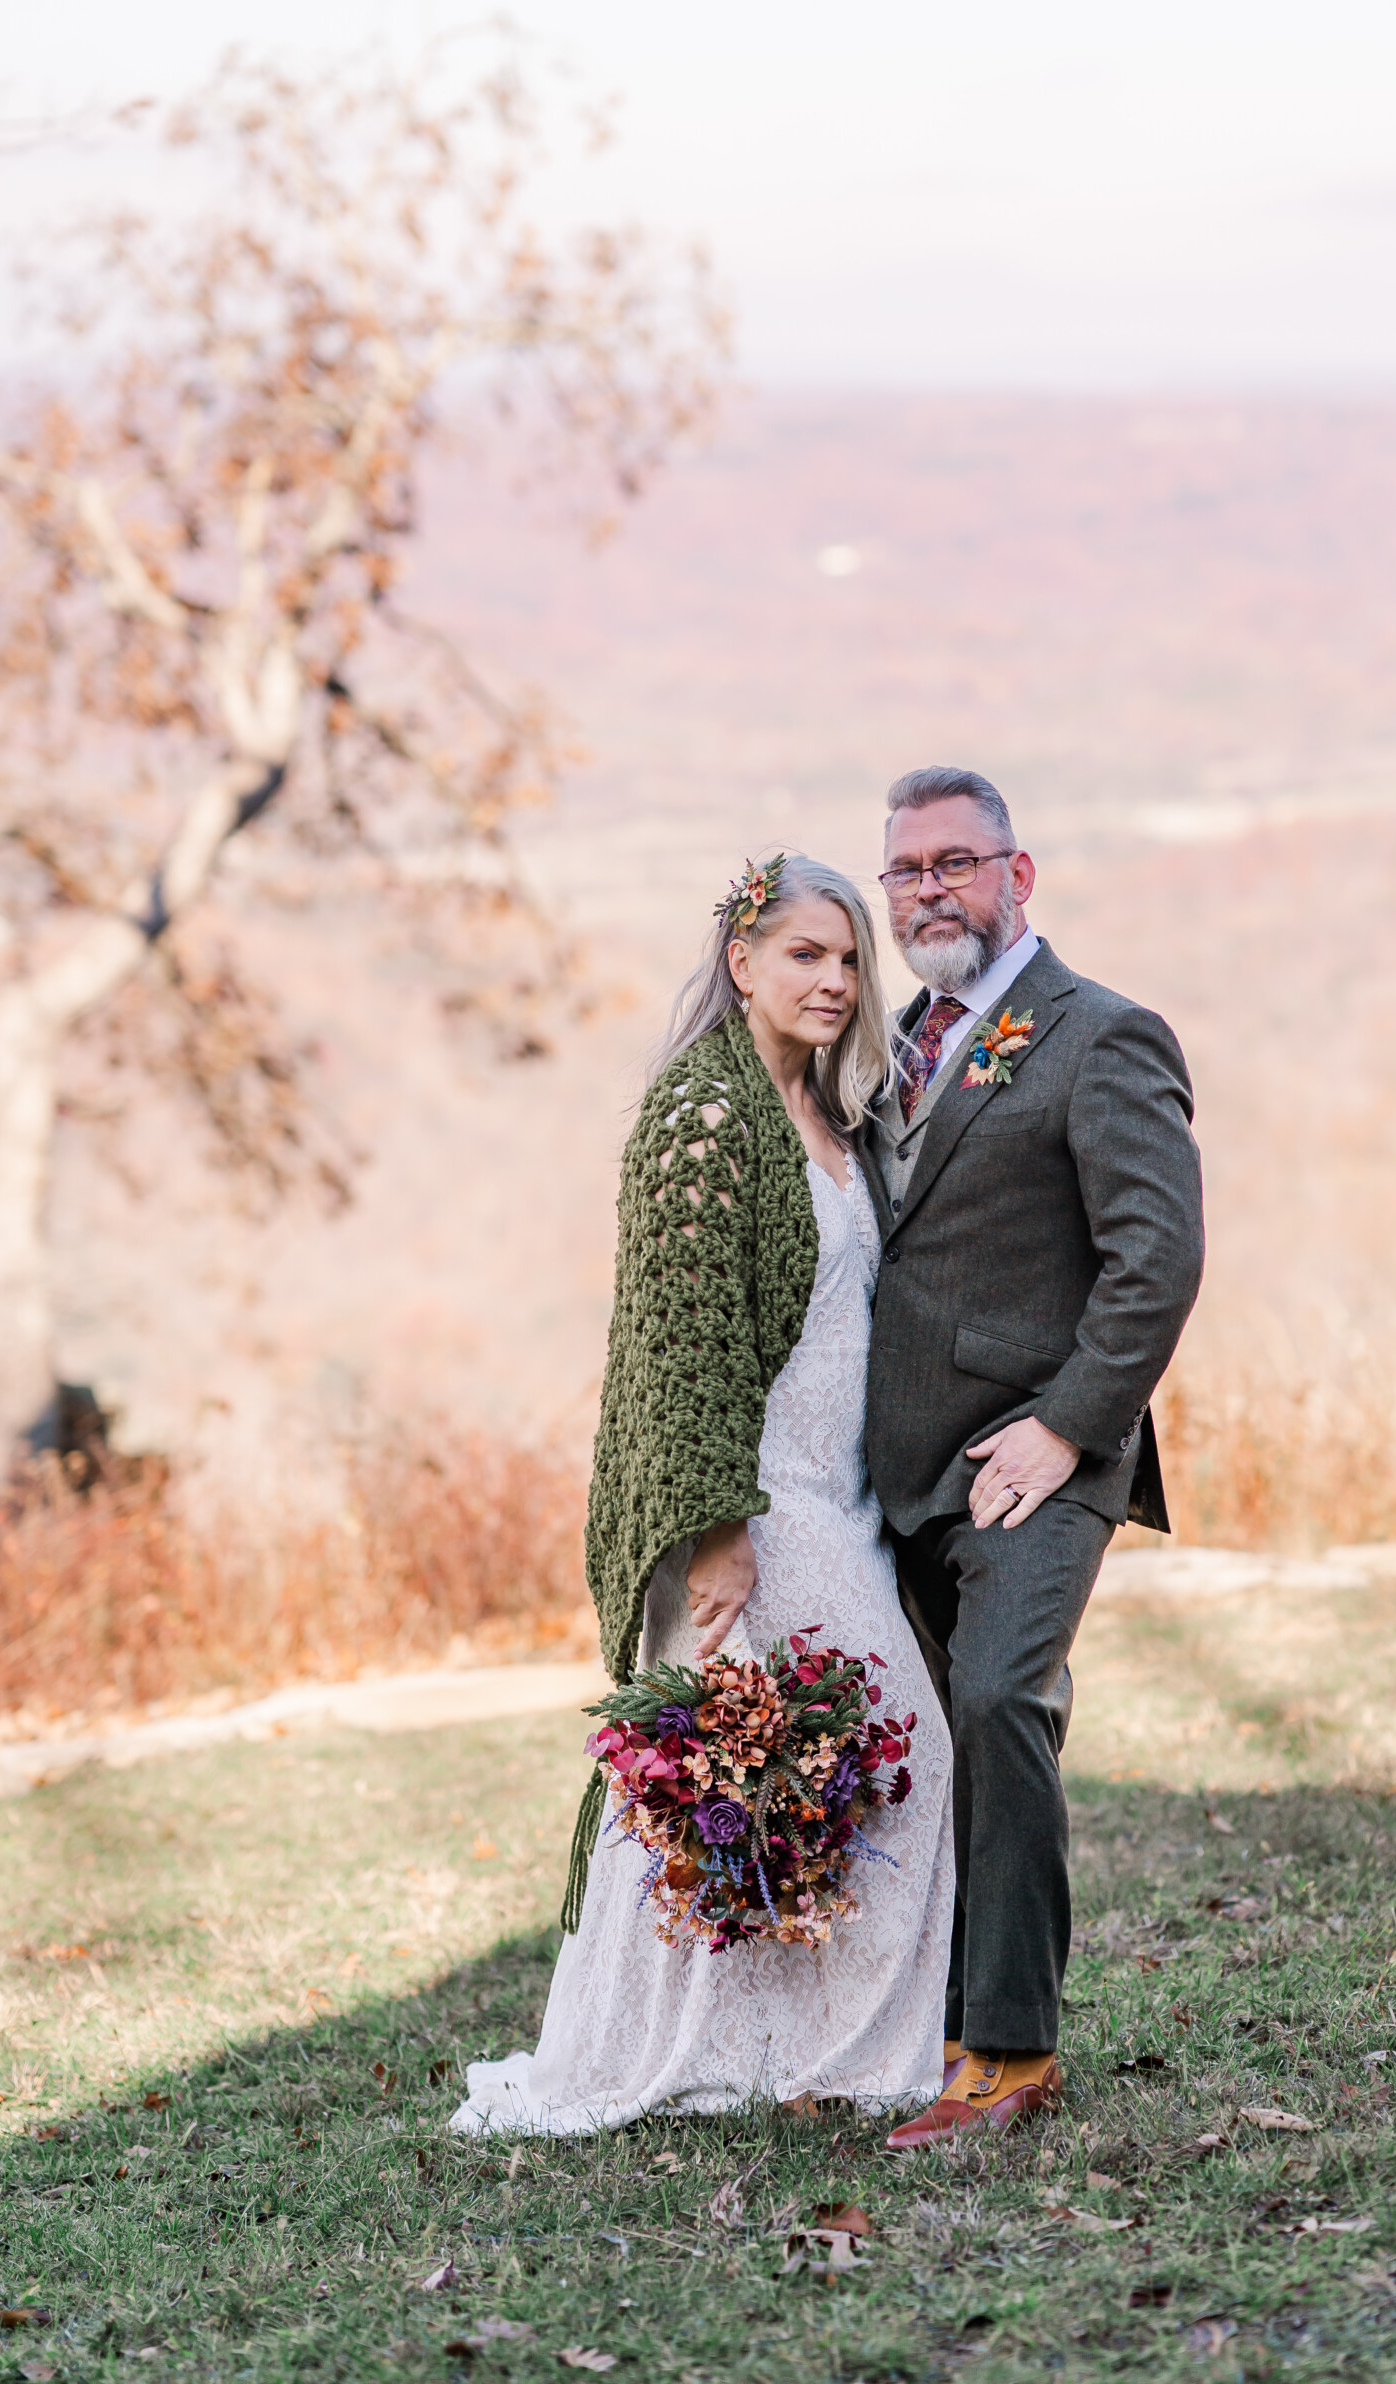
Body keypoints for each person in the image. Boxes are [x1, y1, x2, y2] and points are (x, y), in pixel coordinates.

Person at [452, 854, 954, 2136]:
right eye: (806, 955)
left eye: (850, 960)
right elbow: (684, 1353)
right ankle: (667, 2054)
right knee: (725, 1778)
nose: (837, 980)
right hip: (756, 1507)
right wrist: (716, 1535)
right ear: (741, 962)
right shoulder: (703, 1119)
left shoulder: (833, 1118)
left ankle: (806, 2048)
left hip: (838, 1502)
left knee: (825, 1769)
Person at [863, 766, 1205, 2151]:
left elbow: (1155, 1260)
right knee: (920, 1742)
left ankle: (1008, 2054)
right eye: (905, 869)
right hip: (886, 1471)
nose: (929, 888)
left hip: (1037, 1460)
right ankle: (908, 2029)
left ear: (1019, 874)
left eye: (955, 860)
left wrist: (1066, 1425)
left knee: (1001, 1703)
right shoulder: (881, 1048)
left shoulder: (1098, 1035)